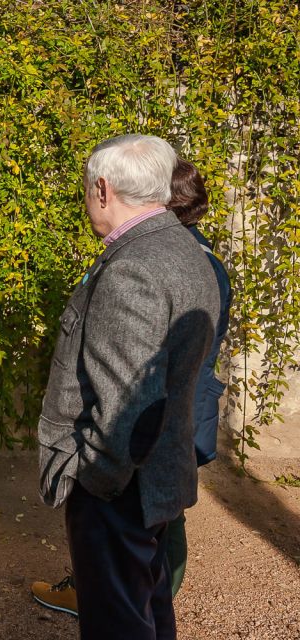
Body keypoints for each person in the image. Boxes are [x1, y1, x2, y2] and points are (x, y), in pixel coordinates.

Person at [36, 135, 220, 639]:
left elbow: (129, 406)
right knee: (148, 611)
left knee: (118, 624)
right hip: (155, 477)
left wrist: (92, 482)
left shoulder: (133, 268)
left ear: (102, 188)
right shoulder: (184, 248)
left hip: (120, 489)